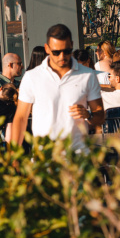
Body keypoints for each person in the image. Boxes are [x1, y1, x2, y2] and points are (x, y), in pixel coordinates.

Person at [11, 24, 105, 152]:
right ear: (47, 48)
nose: (62, 56)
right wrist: (13, 154)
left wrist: (88, 115)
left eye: (67, 51)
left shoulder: (87, 75)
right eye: (56, 52)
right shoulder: (32, 77)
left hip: (78, 155)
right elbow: (21, 118)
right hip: (45, 156)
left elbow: (100, 115)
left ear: (72, 45)